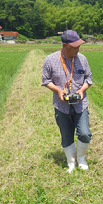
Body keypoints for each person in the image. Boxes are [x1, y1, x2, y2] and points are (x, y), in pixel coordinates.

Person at [41, 30, 93, 173]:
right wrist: (58, 91)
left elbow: (89, 79)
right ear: (65, 45)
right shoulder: (50, 60)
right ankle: (71, 162)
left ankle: (81, 158)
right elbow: (46, 81)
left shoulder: (82, 59)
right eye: (75, 46)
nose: (78, 49)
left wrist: (81, 90)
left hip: (80, 105)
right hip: (61, 106)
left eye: (79, 46)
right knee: (66, 135)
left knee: (84, 133)